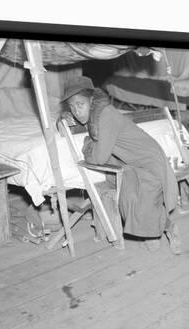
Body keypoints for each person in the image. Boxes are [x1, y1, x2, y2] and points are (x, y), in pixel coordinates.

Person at [61, 75, 182, 254]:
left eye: (80, 105)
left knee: (145, 198)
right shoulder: (94, 114)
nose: (77, 111)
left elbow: (100, 157)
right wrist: (63, 117)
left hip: (149, 161)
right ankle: (153, 232)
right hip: (131, 163)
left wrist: (87, 144)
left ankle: (169, 229)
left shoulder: (106, 114)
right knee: (129, 198)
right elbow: (72, 124)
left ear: (92, 100)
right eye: (72, 107)